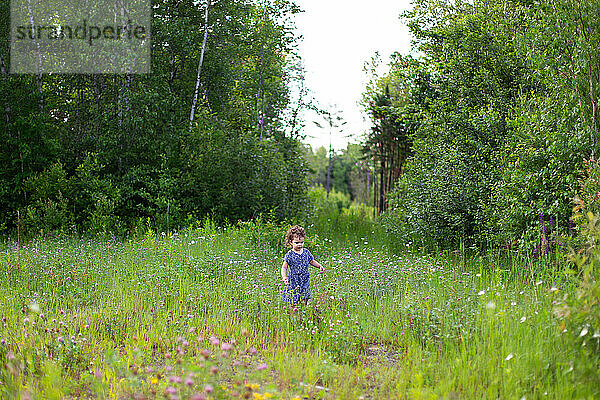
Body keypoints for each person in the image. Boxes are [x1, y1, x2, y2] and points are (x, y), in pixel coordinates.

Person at [280, 225, 324, 306]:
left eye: (302, 242)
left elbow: (311, 261)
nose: (300, 245)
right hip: (293, 280)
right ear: (291, 242)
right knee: (293, 297)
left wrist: (319, 266)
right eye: (297, 243)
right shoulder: (289, 254)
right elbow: (284, 267)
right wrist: (284, 277)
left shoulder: (306, 252)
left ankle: (303, 310)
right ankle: (294, 310)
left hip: (304, 279)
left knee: (305, 296)